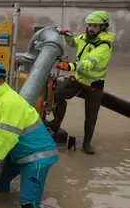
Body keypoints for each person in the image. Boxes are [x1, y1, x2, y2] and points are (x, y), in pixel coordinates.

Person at [0, 62, 59, 208]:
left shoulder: (9, 103)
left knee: (28, 205)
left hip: (37, 158)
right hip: (19, 155)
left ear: (1, 81)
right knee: (1, 183)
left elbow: (4, 139)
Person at [47, 11, 114, 155]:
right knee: (59, 95)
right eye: (89, 25)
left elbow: (88, 63)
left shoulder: (104, 46)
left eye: (94, 26)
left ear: (103, 27)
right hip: (78, 79)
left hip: (94, 85)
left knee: (91, 116)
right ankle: (56, 123)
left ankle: (87, 143)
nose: (90, 28)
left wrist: (69, 66)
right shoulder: (84, 38)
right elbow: (72, 44)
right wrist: (68, 36)